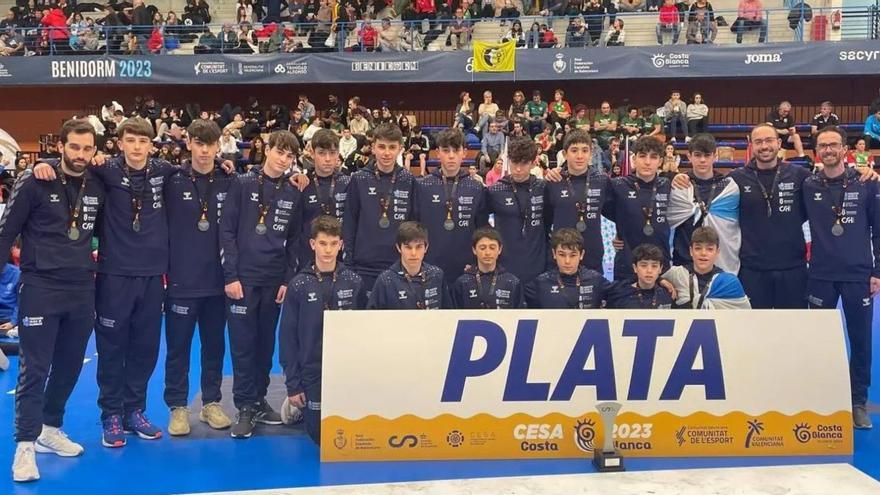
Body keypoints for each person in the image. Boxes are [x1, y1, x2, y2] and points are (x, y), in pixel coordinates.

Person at [33, 118, 183, 447]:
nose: (137, 147)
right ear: (120, 143)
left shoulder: (164, 171)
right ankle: (111, 414)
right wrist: (41, 164)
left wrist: (229, 165)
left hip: (152, 275)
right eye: (131, 140)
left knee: (145, 348)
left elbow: (204, 170)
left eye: (143, 141)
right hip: (114, 275)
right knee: (112, 348)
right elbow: (71, 165)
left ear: (151, 144)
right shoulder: (105, 170)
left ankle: (135, 410)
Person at [3, 120, 104, 482]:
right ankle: (25, 445)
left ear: (94, 150)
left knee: (70, 365)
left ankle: (50, 427)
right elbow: (6, 233)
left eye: (87, 148)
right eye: (74, 147)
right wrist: (35, 164)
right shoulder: (36, 179)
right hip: (41, 286)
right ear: (60, 146)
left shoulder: (97, 183)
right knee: (35, 369)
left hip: (81, 288)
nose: (80, 155)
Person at [220, 130, 302, 439]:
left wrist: (286, 279)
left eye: (290, 156)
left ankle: (258, 398)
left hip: (273, 280)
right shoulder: (242, 184)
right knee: (243, 345)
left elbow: (295, 240)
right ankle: (244, 406)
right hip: (242, 279)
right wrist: (230, 276)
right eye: (279, 152)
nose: (283, 159)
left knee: (265, 345)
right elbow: (226, 231)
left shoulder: (294, 191)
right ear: (266, 149)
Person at [802, 126, 879, 430]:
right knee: (820, 342)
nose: (828, 150)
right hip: (820, 274)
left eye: (834, 144)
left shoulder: (866, 183)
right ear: (816, 152)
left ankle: (857, 401)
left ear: (844, 149)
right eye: (823, 146)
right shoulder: (808, 185)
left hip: (858, 274)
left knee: (860, 341)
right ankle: (823, 398)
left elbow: (878, 229)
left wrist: (877, 271)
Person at [163, 120, 235, 437]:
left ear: (218, 145)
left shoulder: (229, 179)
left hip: (217, 282)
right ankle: (178, 407)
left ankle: (211, 403)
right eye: (200, 144)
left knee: (214, 346)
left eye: (211, 144)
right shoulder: (171, 178)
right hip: (181, 280)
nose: (205, 151)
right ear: (189, 143)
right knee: (178, 347)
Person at [279, 215, 365, 445]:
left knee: (349, 431)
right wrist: (293, 385)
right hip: (312, 372)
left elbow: (364, 333)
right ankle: (298, 401)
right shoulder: (298, 285)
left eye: (333, 243)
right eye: (323, 243)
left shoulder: (353, 281)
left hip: (344, 371)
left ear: (341, 245)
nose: (328, 250)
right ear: (312, 244)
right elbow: (287, 339)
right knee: (319, 437)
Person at [343, 123, 415, 292]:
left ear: (400, 149)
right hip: (363, 267)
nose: (387, 153)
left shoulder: (409, 180)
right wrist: (349, 263)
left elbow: (414, 224)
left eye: (392, 147)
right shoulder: (359, 179)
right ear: (373, 147)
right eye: (381, 147)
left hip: (399, 266)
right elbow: (349, 222)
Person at [413, 128, 487, 285]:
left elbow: (482, 230)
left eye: (456, 150)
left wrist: (477, 263)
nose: (451, 156)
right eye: (446, 150)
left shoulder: (476, 187)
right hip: (429, 267)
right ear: (438, 153)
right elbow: (414, 228)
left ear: (464, 152)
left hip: (466, 268)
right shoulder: (422, 185)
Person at [667, 133, 740, 273]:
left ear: (715, 156)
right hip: (682, 260)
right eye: (697, 155)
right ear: (689, 156)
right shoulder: (679, 185)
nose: (702, 160)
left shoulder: (729, 188)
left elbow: (732, 229)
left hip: (719, 263)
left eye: (707, 155)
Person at [543, 129, 611, 272]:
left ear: (591, 153)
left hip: (592, 255)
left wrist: (621, 235)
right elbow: (544, 221)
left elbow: (618, 211)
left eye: (584, 150)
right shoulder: (553, 181)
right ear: (565, 153)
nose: (580, 156)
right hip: (561, 258)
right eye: (574, 150)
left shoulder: (602, 181)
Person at [607, 136, 672, 281]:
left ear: (660, 161)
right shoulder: (618, 185)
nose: (647, 162)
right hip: (627, 266)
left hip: (660, 266)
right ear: (634, 159)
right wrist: (620, 233)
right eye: (642, 156)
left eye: (653, 157)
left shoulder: (667, 184)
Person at [486, 136, 549, 285]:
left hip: (537, 266)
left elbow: (551, 220)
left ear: (534, 162)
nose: (518, 169)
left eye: (524, 163)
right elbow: (480, 223)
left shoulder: (543, 188)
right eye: (514, 163)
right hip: (504, 268)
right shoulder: (495, 190)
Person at [297, 130, 350, 270]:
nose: (327, 159)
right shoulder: (302, 184)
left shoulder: (348, 183)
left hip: (339, 259)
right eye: (321, 153)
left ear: (338, 154)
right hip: (308, 259)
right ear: (312, 154)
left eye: (332, 153)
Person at [661, 226, 751, 309]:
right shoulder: (677, 274)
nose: (703, 253)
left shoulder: (729, 283)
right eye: (698, 248)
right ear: (691, 251)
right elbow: (650, 278)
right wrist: (660, 280)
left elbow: (745, 318)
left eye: (710, 249)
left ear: (717, 252)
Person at [367, 221, 448, 309]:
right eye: (408, 247)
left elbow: (449, 315)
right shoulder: (386, 280)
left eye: (418, 247)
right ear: (399, 248)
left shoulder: (436, 275)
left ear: (426, 247)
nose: (413, 253)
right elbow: (372, 318)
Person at [525, 228, 609, 308]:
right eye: (562, 255)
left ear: (581, 255)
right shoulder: (540, 283)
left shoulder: (595, 280)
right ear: (554, 254)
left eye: (573, 255)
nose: (567, 261)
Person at [450, 227, 524, 308]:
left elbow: (521, 315)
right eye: (482, 248)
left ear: (500, 249)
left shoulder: (512, 282)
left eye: (492, 248)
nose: (487, 252)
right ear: (474, 250)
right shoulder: (462, 283)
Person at [606, 244, 674, 309]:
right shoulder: (620, 293)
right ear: (635, 268)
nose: (649, 271)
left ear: (660, 269)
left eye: (654, 266)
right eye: (643, 265)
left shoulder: (668, 293)